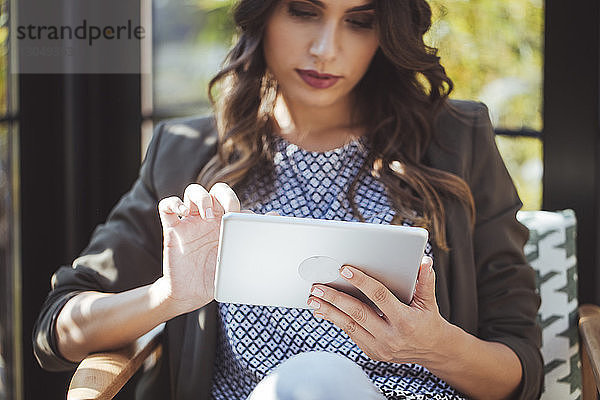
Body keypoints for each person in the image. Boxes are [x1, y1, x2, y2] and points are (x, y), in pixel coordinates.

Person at [33, 0, 543, 399]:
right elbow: (59, 327)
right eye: (304, 11)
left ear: (385, 34)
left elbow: (519, 369)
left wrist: (435, 346)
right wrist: (170, 297)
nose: (326, 48)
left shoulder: (457, 140)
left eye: (360, 21)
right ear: (263, 14)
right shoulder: (186, 154)